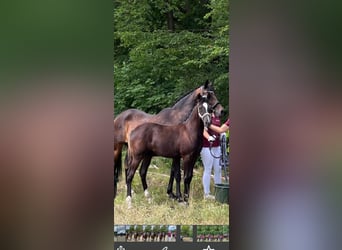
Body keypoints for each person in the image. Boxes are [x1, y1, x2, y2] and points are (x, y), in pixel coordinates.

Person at [201, 113, 222, 199]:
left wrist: (222, 134)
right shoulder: (205, 116)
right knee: (208, 168)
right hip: (207, 146)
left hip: (217, 146)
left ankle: (219, 191)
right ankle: (207, 193)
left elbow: (219, 129)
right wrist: (209, 137)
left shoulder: (216, 117)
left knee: (218, 169)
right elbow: (203, 130)